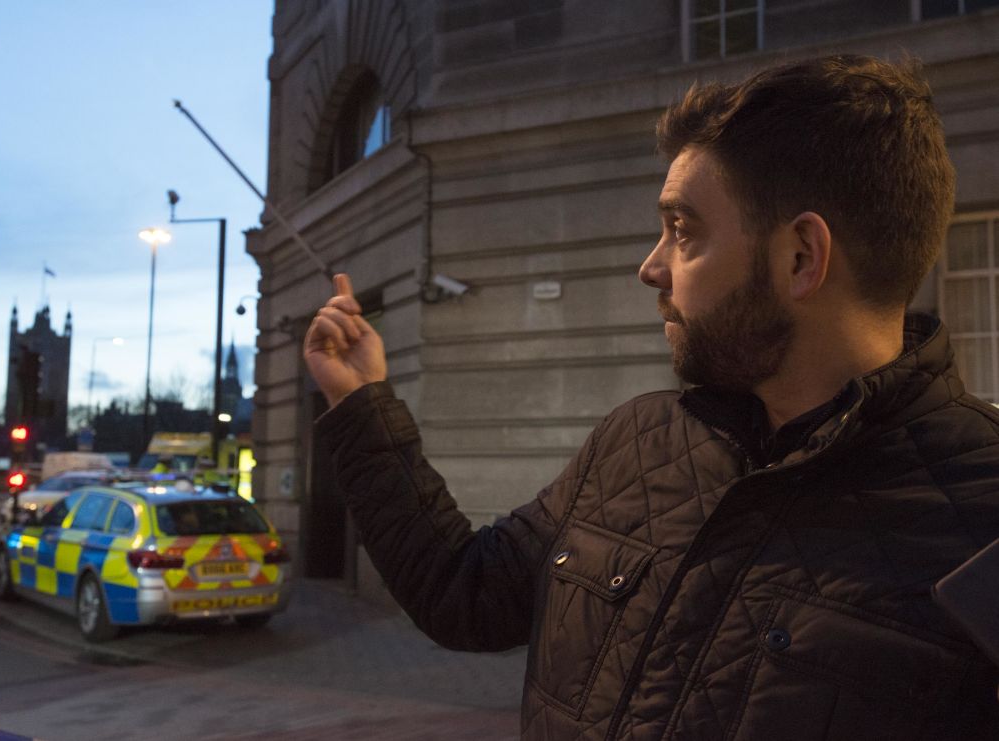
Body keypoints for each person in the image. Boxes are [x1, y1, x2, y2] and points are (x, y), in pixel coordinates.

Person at [303, 55, 999, 740]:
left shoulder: (982, 519)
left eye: (683, 230)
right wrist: (361, 402)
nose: (651, 266)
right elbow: (464, 593)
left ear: (801, 258)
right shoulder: (636, 443)